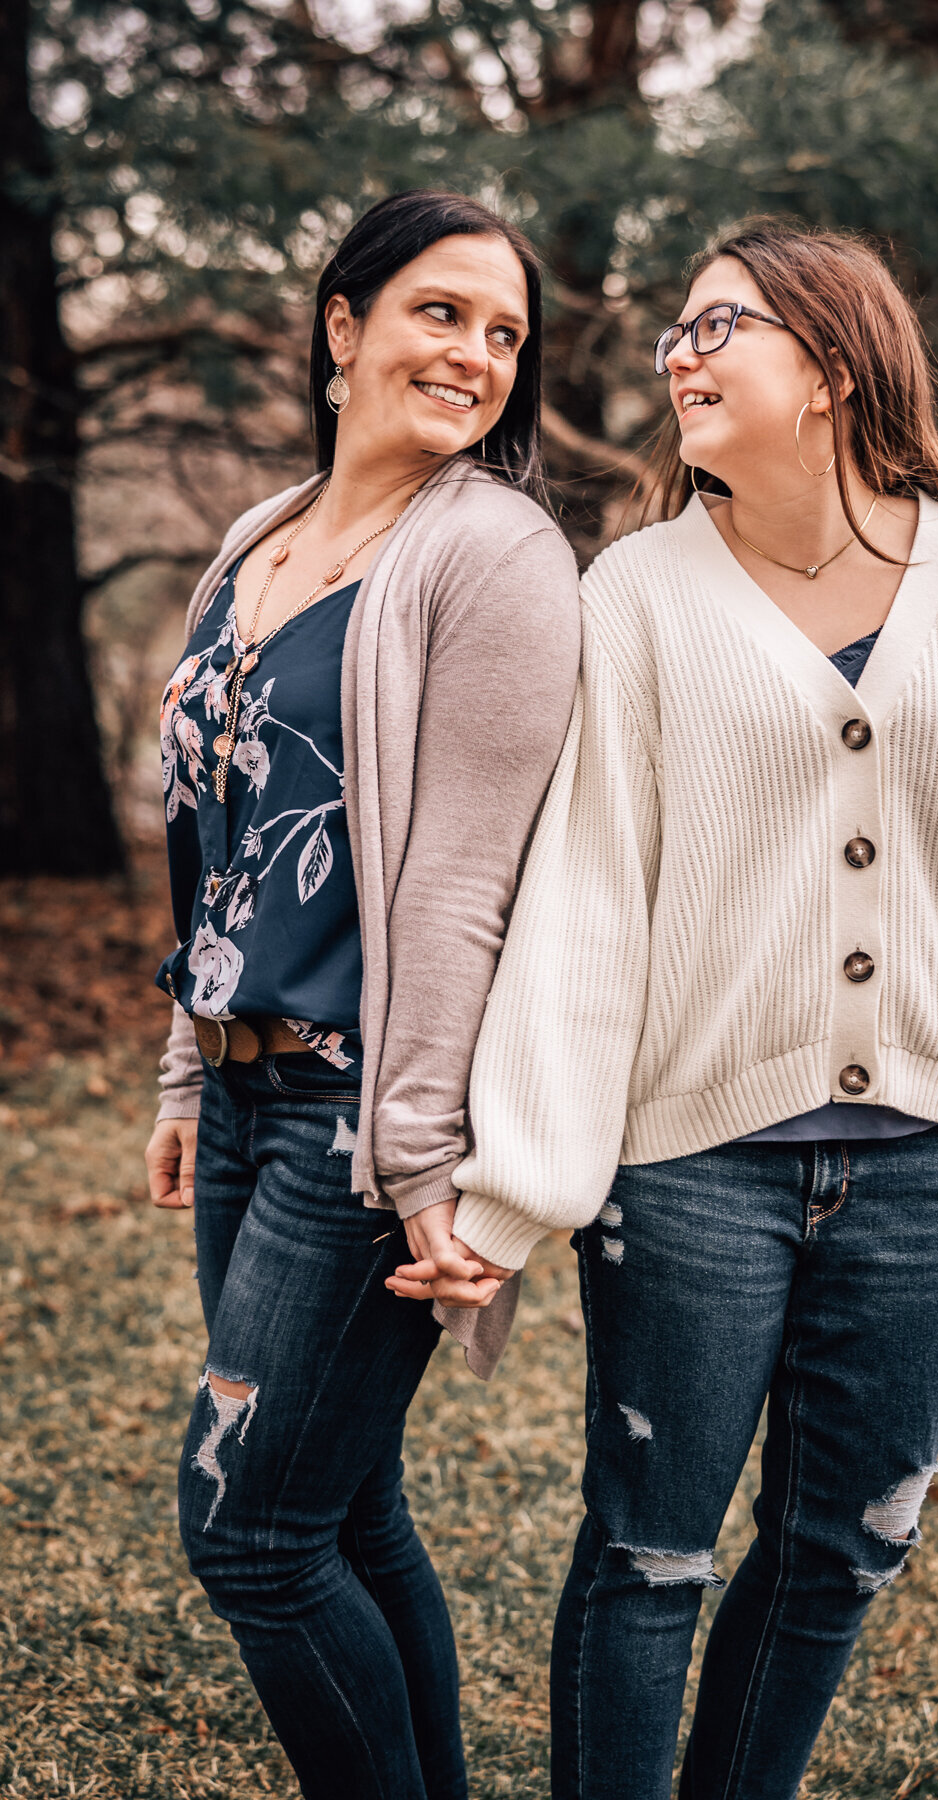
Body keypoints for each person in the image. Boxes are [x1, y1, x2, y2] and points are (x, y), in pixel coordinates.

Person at [407, 219, 938, 1797]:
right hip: (694, 1167)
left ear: (832, 365)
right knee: (648, 1558)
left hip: (928, 1159)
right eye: (675, 339)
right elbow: (586, 902)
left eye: (720, 328)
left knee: (848, 1547)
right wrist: (517, 1189)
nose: (678, 358)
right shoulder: (632, 595)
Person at [143, 189, 580, 1800]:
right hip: (249, 1092)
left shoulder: (498, 557)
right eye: (440, 312)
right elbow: (215, 832)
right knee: (345, 1507)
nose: (475, 354)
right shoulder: (259, 538)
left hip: (354, 1120)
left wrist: (415, 1165)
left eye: (505, 332)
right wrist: (188, 1075)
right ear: (344, 326)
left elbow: (465, 884)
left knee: (249, 1534)